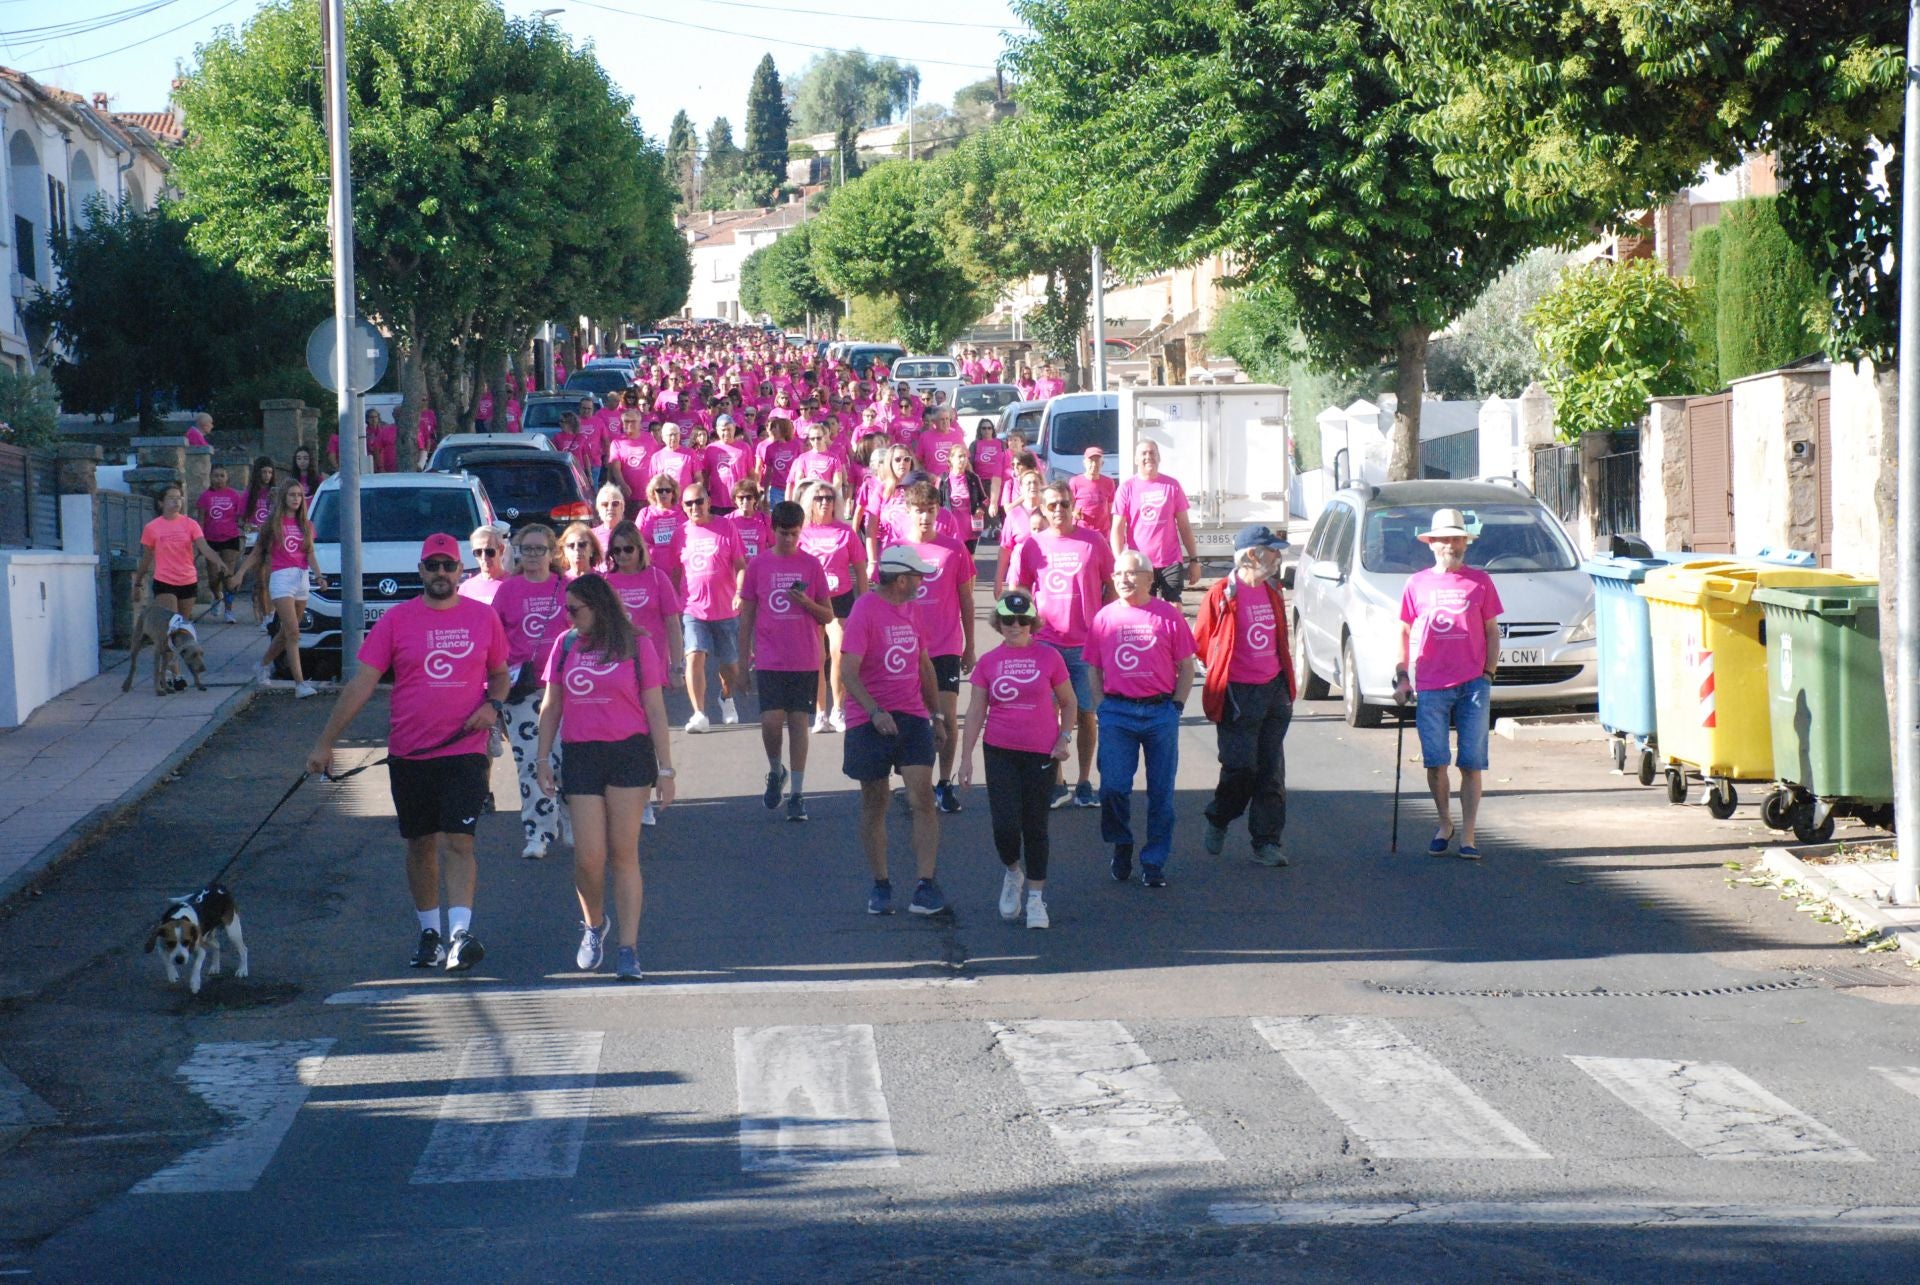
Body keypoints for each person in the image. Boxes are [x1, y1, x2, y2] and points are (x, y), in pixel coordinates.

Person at [306, 534, 510, 971]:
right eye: (432, 565)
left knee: (459, 840)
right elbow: (362, 683)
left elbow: (500, 675)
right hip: (411, 751)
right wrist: (326, 741)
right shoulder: (397, 621)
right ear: (421, 571)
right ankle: (430, 933)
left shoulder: (483, 618)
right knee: (420, 844)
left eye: (448, 565)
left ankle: (459, 935)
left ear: (461, 572)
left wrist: (493, 705)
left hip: (465, 750)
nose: (440, 573)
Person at [533, 573, 675, 982]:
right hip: (582, 755)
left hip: (628, 753)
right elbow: (551, 704)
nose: (569, 617)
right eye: (566, 610)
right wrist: (542, 759)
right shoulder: (565, 645)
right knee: (588, 857)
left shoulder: (636, 643)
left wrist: (665, 769)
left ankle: (628, 949)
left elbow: (655, 708)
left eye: (575, 610)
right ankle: (594, 925)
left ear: (598, 607)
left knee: (623, 853)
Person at [955, 590, 1075, 929]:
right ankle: (1013, 873)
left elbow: (1069, 702)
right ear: (999, 623)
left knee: (1035, 826)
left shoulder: (1050, 657)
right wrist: (965, 759)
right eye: (1008, 620)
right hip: (1000, 751)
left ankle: (1036, 898)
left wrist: (1064, 738)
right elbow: (976, 711)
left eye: (1022, 620)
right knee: (1005, 826)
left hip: (1041, 751)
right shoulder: (989, 662)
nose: (1015, 626)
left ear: (1033, 623)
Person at [841, 546, 950, 916]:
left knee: (923, 796)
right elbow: (848, 673)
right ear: (901, 579)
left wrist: (936, 715)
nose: (922, 582)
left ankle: (925, 884)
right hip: (869, 719)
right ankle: (881, 883)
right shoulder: (865, 611)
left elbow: (924, 665)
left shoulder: (913, 610)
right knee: (876, 802)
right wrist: (875, 712)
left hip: (912, 716)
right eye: (917, 576)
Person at [1394, 507, 1503, 861]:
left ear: (1465, 543)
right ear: (1431, 544)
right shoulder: (1417, 584)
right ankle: (1445, 824)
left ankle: (1468, 835)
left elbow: (1491, 631)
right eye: (1444, 539)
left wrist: (1488, 673)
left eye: (1457, 539)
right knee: (1435, 760)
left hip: (1473, 683)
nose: (1450, 545)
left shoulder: (1480, 582)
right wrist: (1402, 676)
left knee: (1472, 762)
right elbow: (1405, 632)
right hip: (1430, 683)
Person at [1086, 550, 1197, 888]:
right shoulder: (1104, 618)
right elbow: (1093, 666)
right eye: (1118, 574)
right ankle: (1121, 842)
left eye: (1132, 573)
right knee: (1113, 788)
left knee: (1161, 794)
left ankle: (1153, 861)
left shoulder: (1167, 616)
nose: (1123, 579)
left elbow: (1188, 665)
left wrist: (1176, 705)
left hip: (1159, 713)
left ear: (1150, 578)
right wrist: (1101, 705)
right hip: (1117, 713)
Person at [1192, 526, 1296, 868]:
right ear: (1252, 555)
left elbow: (1280, 638)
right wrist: (1225, 672)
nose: (1278, 557)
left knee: (1270, 772)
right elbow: (1204, 643)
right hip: (1236, 692)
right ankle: (1220, 816)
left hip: (1274, 691)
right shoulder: (1221, 594)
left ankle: (1266, 842)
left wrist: (1282, 685)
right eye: (1272, 551)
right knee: (1241, 769)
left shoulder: (1273, 589)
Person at [1010, 480, 1114, 810]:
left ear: (1073, 506)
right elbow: (1021, 591)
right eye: (1052, 505)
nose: (1058, 510)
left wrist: (1106, 625)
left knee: (1086, 715)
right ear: (1042, 507)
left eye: (1064, 504)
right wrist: (1024, 634)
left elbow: (1111, 585)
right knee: (1048, 715)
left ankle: (1084, 782)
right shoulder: (1033, 546)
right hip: (1046, 644)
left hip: (1085, 645)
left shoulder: (1093, 541)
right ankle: (1056, 782)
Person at [739, 500, 834, 822]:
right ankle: (775, 769)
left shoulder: (811, 565)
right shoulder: (758, 565)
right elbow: (747, 617)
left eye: (794, 534)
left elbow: (828, 614)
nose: (789, 540)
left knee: (798, 724)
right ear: (772, 530)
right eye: (783, 534)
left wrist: (806, 602)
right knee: (769, 722)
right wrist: (741, 664)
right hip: (769, 657)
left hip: (804, 657)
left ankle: (797, 792)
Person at [491, 524, 571, 859]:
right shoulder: (508, 591)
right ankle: (536, 832)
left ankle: (570, 822)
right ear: (518, 553)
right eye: (527, 549)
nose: (534, 556)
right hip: (523, 690)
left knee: (567, 760)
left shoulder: (567, 588)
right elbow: (492, 639)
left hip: (564, 688)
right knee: (530, 761)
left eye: (540, 549)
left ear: (553, 553)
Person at [900, 484, 976, 815]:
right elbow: (884, 601)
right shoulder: (898, 550)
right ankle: (917, 786)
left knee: (944, 716)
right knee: (912, 720)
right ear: (909, 512)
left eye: (930, 510)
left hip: (945, 645)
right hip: (906, 649)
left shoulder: (954, 548)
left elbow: (966, 598)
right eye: (919, 510)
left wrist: (970, 644)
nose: (925, 516)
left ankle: (944, 783)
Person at [232, 479, 328, 698]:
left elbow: (310, 553)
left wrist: (319, 575)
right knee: (294, 632)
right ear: (284, 497)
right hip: (281, 578)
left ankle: (263, 663)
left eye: (299, 495)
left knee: (287, 632)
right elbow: (257, 552)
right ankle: (300, 683)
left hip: (301, 577)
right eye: (292, 495)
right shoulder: (273, 524)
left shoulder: (306, 524)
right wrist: (240, 573)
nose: (295, 499)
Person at [797, 480, 867, 733]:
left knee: (838, 651)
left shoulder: (845, 531)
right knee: (817, 657)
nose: (824, 503)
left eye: (828, 498)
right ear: (810, 503)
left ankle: (839, 709)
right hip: (811, 600)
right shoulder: (802, 532)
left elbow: (860, 566)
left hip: (841, 598)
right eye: (819, 499)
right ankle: (819, 713)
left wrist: (864, 601)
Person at [678, 482, 748, 733]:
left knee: (730, 666)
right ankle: (699, 713)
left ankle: (726, 697)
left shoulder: (726, 527)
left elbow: (740, 565)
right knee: (694, 654)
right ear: (683, 507)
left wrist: (740, 592)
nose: (695, 507)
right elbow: (676, 571)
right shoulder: (681, 533)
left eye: (699, 501)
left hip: (726, 610)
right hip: (693, 609)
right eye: (689, 503)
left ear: (708, 501)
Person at [1112, 440, 1200, 609]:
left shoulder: (1172, 485)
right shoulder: (1126, 488)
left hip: (1170, 560)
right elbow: (1117, 529)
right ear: (1136, 459)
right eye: (1144, 453)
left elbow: (1184, 526)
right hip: (1140, 563)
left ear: (1159, 457)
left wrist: (1194, 560)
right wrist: (1120, 562)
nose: (1148, 457)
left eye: (1152, 453)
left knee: (1174, 605)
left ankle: (1173, 635)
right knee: (1143, 608)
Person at [133, 484, 223, 624]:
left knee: (182, 624)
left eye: (179, 498)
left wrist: (219, 562)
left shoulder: (191, 524)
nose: (176, 501)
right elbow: (147, 557)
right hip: (165, 580)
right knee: (171, 621)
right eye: (171, 498)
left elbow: (204, 547)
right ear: (161, 503)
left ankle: (176, 645)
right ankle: (165, 645)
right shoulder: (152, 527)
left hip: (188, 580)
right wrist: (138, 583)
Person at [195, 465, 246, 623]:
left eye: (222, 475)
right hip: (210, 540)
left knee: (228, 575)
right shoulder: (205, 497)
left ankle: (229, 610)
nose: (219, 479)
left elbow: (240, 518)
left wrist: (244, 526)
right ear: (210, 477)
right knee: (213, 577)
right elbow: (201, 520)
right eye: (216, 476)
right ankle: (217, 596)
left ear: (227, 477)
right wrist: (199, 540)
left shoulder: (234, 496)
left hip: (230, 538)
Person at [241, 458, 279, 625]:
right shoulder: (249, 494)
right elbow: (242, 520)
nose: (267, 476)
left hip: (272, 540)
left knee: (271, 579)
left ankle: (270, 612)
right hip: (255, 540)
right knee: (261, 580)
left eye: (270, 472)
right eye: (263, 472)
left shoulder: (276, 493)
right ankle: (265, 614)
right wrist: (250, 527)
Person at [459, 524, 511, 605]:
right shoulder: (466, 588)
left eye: (489, 551)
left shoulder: (514, 585)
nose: (484, 557)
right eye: (478, 552)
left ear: (501, 550)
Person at [1070, 446, 1115, 537]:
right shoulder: (1075, 481)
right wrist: (1074, 513)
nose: (1094, 464)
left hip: (1102, 534)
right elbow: (1068, 506)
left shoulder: (1109, 482)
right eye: (1091, 461)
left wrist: (1114, 531)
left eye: (1097, 461)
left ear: (1102, 463)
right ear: (1084, 463)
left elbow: (1111, 509)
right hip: (1082, 532)